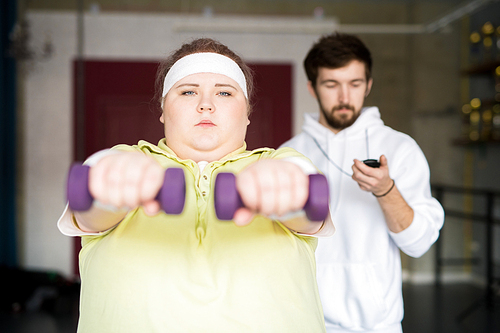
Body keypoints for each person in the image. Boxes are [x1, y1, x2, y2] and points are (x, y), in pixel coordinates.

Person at [57, 38, 335, 332]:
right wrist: (105, 187)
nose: (206, 105)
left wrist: (290, 190)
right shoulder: (127, 161)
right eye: (188, 92)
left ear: (247, 112)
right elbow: (88, 208)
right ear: (164, 109)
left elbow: (309, 206)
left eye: (225, 93)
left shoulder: (280, 163)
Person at [281, 32, 445, 333]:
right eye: (331, 85)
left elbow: (420, 244)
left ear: (368, 85)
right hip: (303, 321)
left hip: (376, 325)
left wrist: (386, 190)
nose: (344, 97)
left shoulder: (399, 148)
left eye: (355, 84)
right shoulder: (289, 155)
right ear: (312, 88)